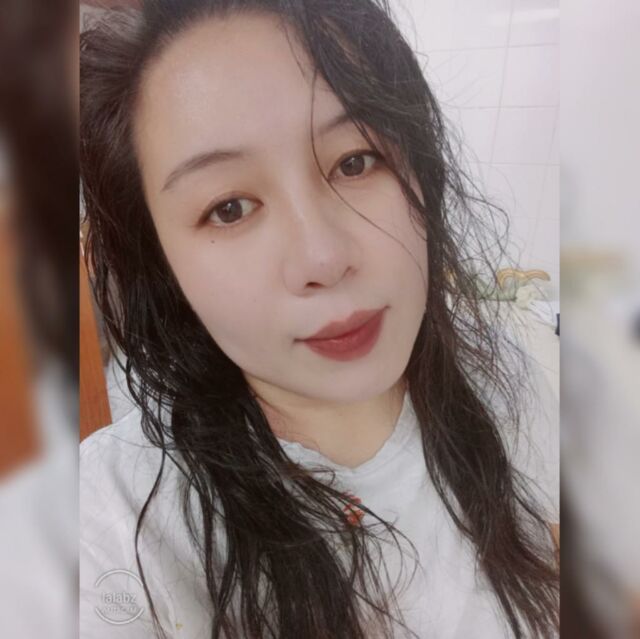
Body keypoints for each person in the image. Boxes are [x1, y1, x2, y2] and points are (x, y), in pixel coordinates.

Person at [79, 1, 559, 637]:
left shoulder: (505, 383)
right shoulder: (109, 523)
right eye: (229, 208)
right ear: (161, 262)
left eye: (355, 161)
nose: (324, 259)